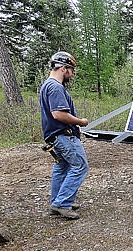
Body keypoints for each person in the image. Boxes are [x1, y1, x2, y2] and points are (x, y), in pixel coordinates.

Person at [39, 51, 89, 220]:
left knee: (62, 167)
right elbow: (59, 114)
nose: (72, 74)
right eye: (71, 70)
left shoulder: (47, 85)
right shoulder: (56, 87)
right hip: (63, 136)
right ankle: (62, 203)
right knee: (80, 166)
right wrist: (80, 122)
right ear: (63, 69)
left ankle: (57, 201)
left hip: (54, 136)